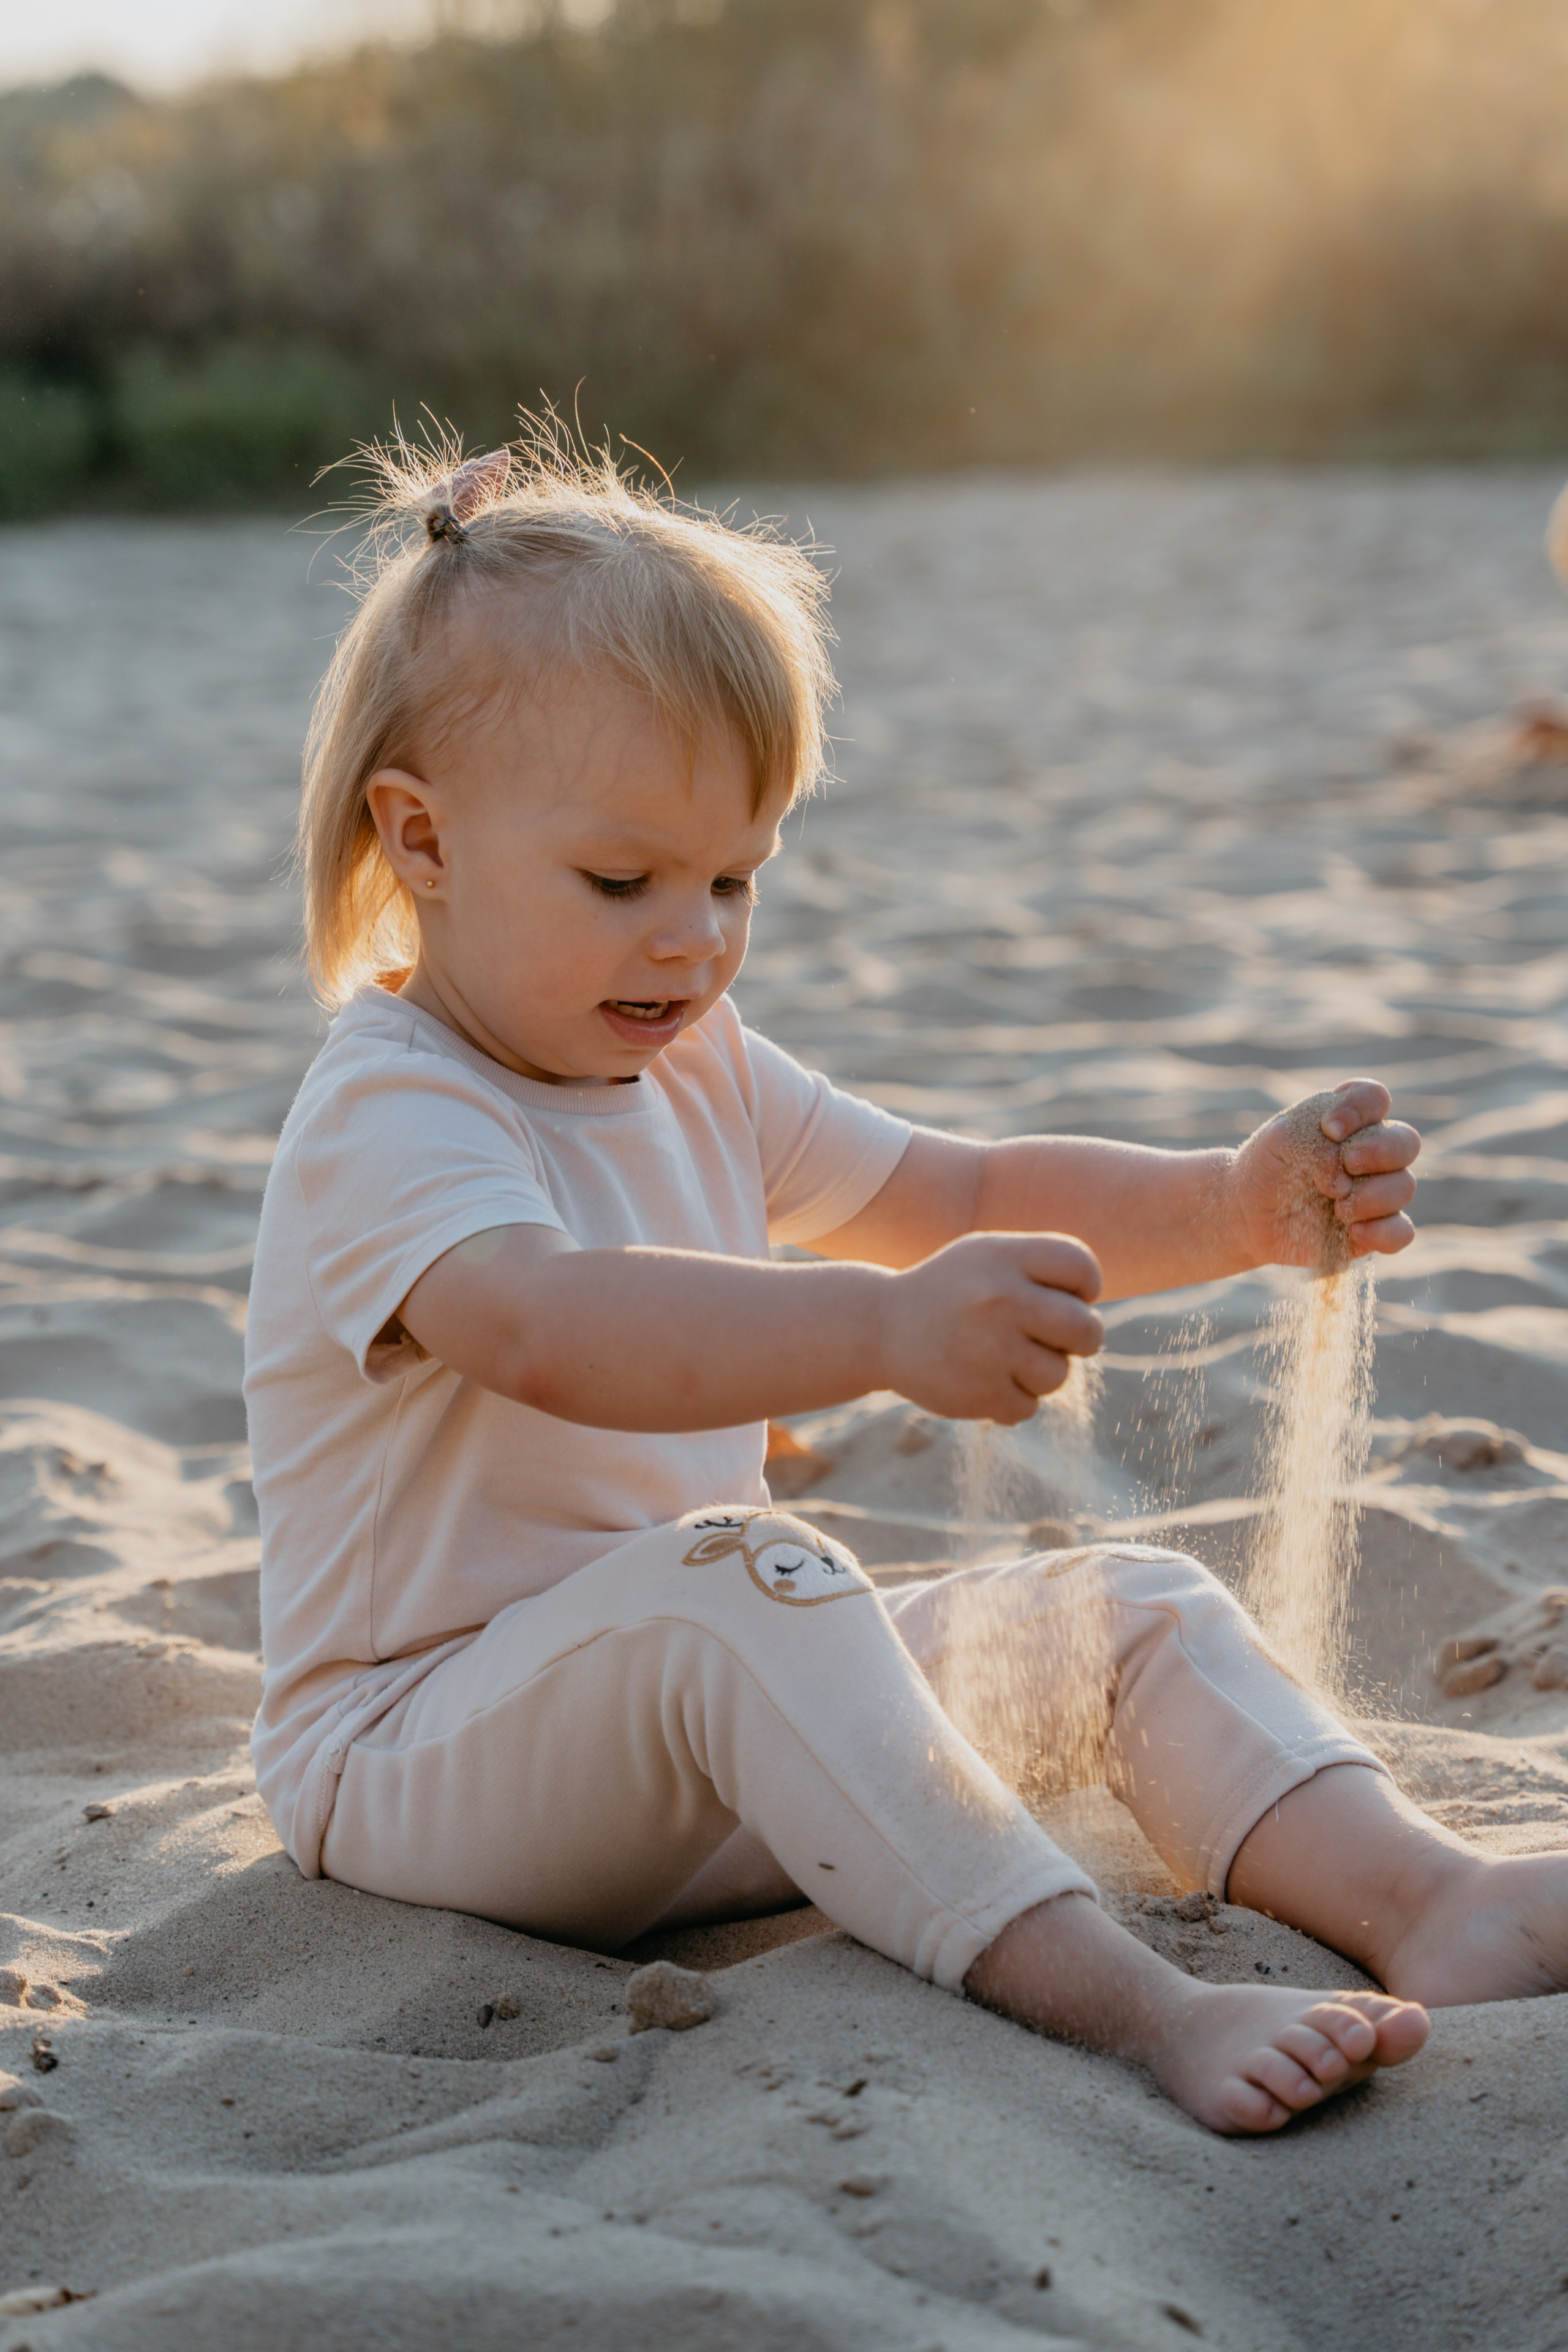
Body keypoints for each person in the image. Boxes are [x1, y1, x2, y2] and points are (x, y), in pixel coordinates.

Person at [246, 432, 1564, 2138]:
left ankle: (1432, 1899)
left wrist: (1231, 1208)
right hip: (421, 1757)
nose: (693, 940)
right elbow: (543, 1325)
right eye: (623, 882)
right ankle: (1148, 2009)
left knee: (1127, 1613)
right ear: (420, 839)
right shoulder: (393, 1106)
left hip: (717, 1729)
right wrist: (880, 1328)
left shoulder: (699, 1061)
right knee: (756, 1576)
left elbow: (962, 1190)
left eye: (734, 879)